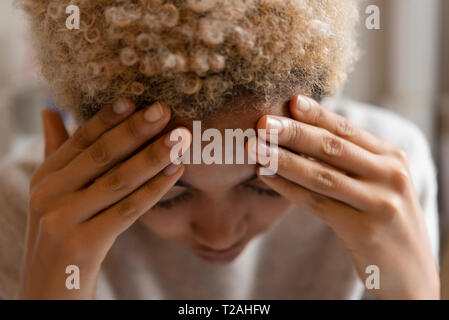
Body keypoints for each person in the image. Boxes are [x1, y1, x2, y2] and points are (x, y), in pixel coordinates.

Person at [0, 0, 439, 299]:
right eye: (169, 194)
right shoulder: (30, 208)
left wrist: (412, 289)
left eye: (268, 185)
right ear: (84, 130)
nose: (220, 235)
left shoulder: (384, 187)